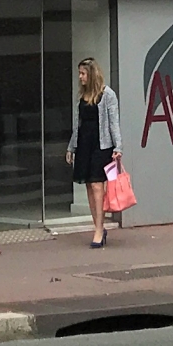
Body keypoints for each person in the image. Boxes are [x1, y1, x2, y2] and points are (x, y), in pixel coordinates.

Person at [64, 57, 122, 247]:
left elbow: (114, 122)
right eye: (79, 73)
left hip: (101, 145)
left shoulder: (107, 95)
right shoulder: (81, 96)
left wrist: (118, 146)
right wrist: (71, 147)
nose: (80, 77)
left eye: (83, 73)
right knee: (89, 186)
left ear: (91, 74)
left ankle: (99, 229)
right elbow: (77, 125)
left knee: (98, 186)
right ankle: (97, 225)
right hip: (83, 145)